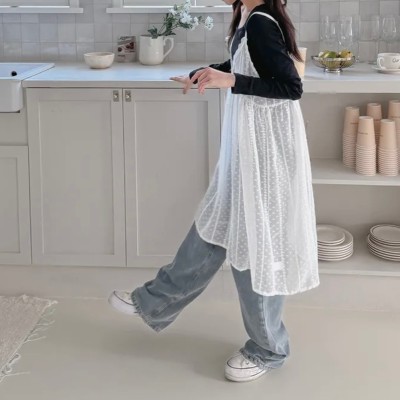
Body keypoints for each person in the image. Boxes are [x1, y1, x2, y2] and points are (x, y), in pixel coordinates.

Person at [109, 0, 319, 383]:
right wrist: (202, 75)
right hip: (248, 150)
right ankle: (154, 301)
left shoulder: (261, 21)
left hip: (265, 156)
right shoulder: (248, 16)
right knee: (215, 227)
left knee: (255, 249)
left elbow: (291, 87)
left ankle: (268, 349)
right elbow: (243, 66)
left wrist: (231, 81)